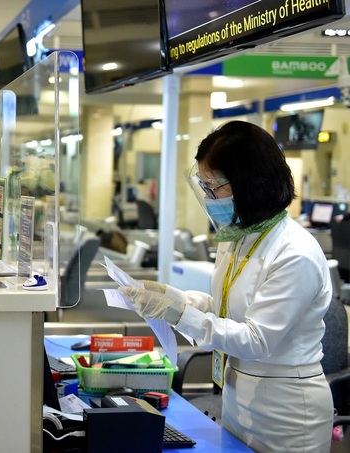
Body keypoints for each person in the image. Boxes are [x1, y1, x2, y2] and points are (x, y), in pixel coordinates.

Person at [120, 121, 334, 452]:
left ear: (249, 183)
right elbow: (226, 309)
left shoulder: (296, 253)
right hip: (237, 399)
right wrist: (172, 298)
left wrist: (179, 316)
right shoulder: (237, 237)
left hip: (287, 415)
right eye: (203, 186)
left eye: (213, 187)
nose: (208, 198)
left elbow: (257, 339)